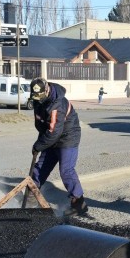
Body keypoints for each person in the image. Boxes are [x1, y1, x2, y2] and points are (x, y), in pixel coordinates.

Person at [29, 77, 87, 215]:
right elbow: (42, 125)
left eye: (40, 96)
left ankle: (78, 203)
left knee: (66, 170)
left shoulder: (57, 105)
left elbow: (54, 131)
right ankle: (31, 195)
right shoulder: (38, 100)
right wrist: (41, 142)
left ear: (47, 89)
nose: (38, 99)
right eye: (36, 97)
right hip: (51, 136)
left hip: (68, 137)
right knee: (41, 167)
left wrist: (39, 145)